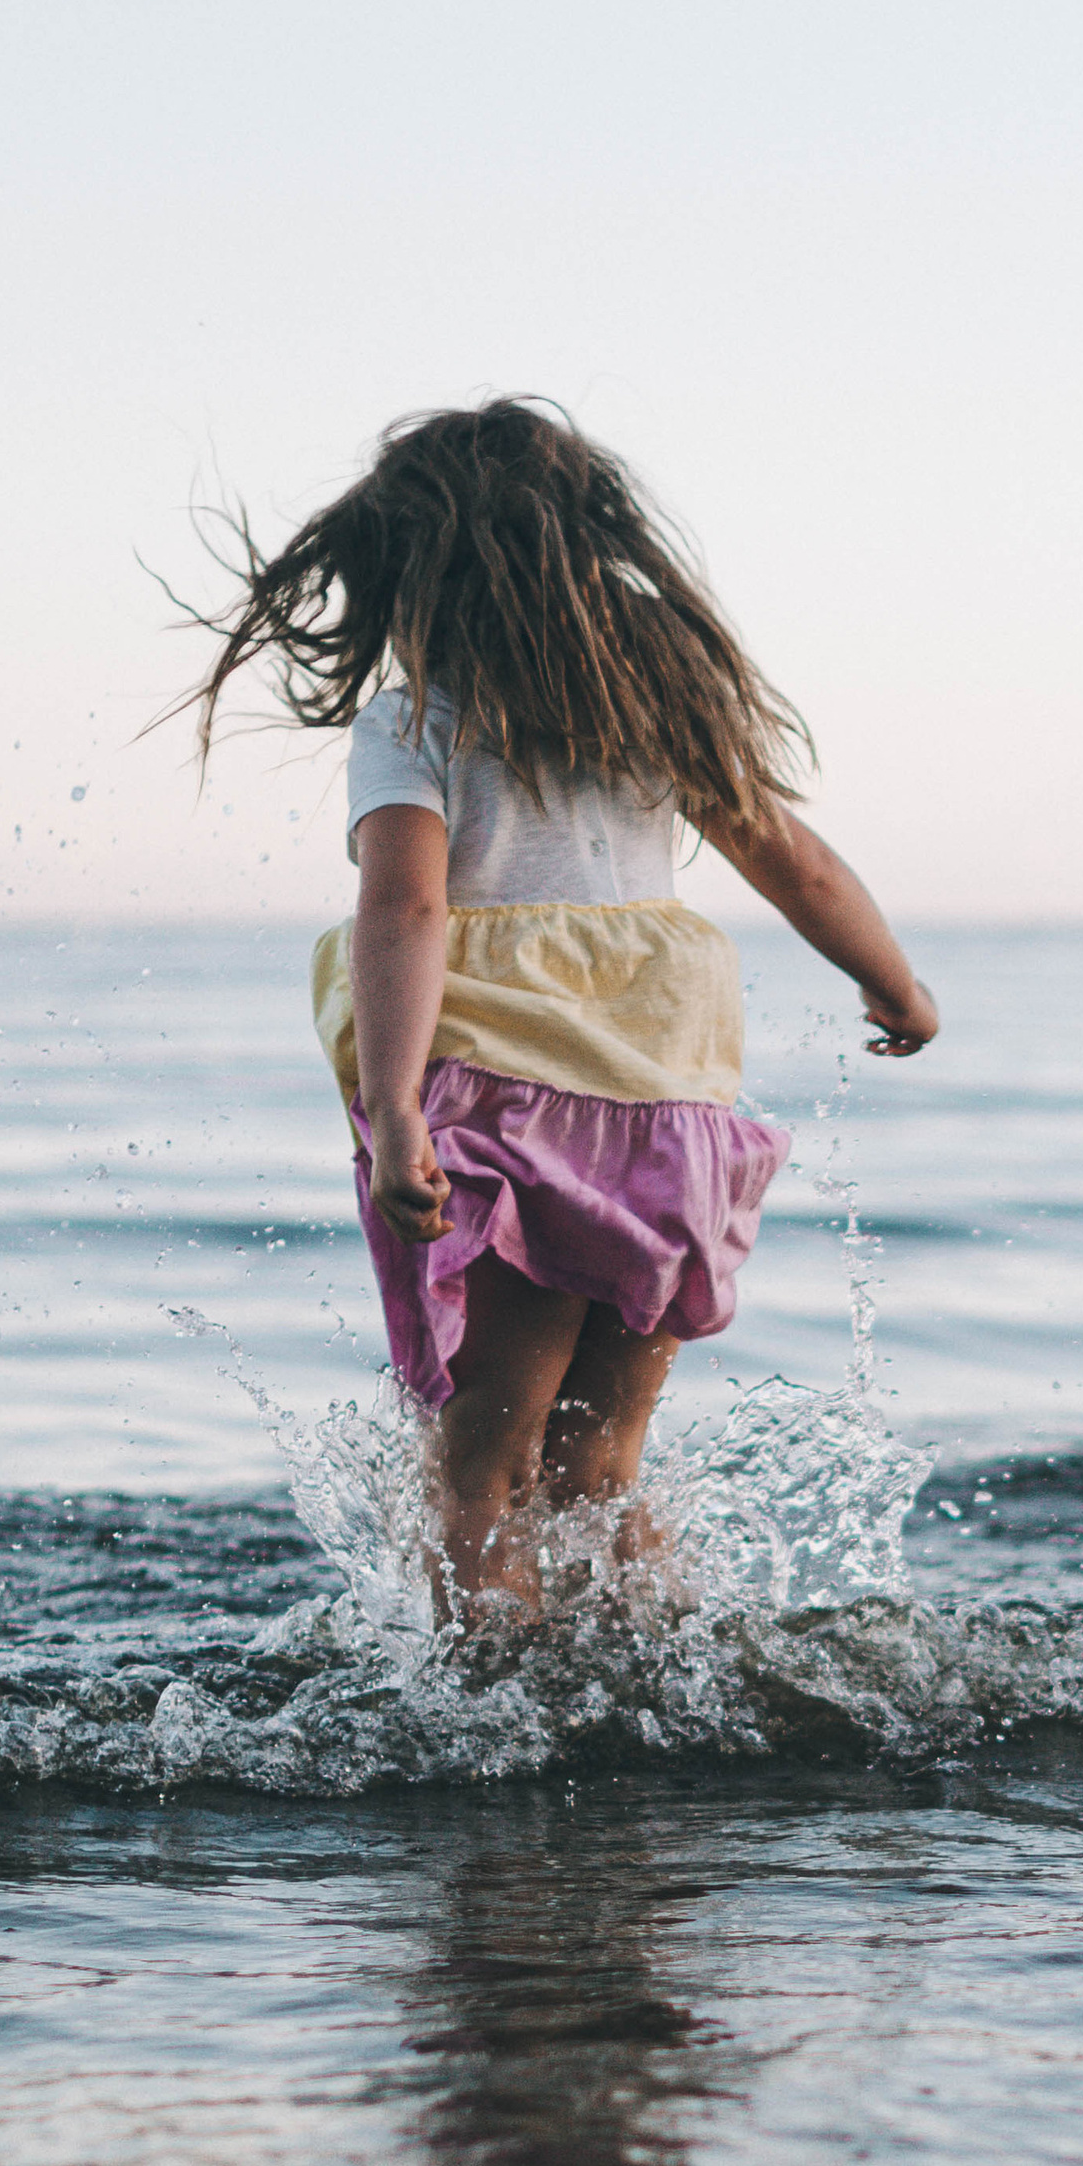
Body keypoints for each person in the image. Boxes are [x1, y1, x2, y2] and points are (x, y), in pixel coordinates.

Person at [174, 398, 938, 1619]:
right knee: (604, 1463)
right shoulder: (662, 708)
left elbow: (407, 909)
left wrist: (395, 1108)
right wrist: (894, 983)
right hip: (670, 1110)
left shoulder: (415, 719)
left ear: (409, 571)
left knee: (483, 1464)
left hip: (508, 1114)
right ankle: (657, 1683)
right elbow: (792, 861)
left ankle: (490, 1711)